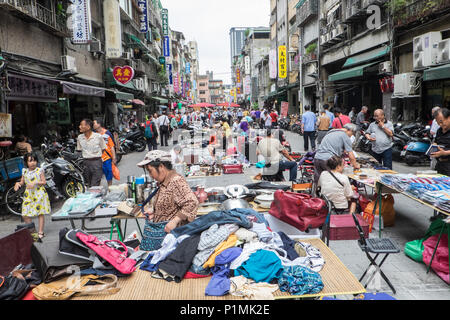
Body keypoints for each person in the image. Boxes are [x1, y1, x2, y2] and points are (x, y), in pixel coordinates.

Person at [137, 150, 199, 233]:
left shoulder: (175, 181)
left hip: (174, 237)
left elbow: (192, 202)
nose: (151, 176)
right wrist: (155, 212)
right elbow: (171, 206)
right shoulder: (165, 182)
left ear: (161, 166)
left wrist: (175, 221)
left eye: (150, 171)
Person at [14, 152, 50, 239]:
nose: (32, 163)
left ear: (36, 161)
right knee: (25, 214)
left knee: (40, 213)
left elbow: (44, 182)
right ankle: (33, 232)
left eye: (34, 160)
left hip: (39, 194)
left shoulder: (39, 170)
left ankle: (41, 232)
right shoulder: (24, 171)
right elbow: (22, 182)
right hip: (28, 194)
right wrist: (17, 184)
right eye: (30, 161)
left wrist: (35, 182)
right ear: (26, 162)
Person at [93, 120, 116, 187]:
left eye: (94, 123)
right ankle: (99, 189)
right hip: (97, 158)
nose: (93, 125)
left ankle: (110, 187)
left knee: (109, 173)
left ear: (99, 124)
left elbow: (111, 146)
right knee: (98, 175)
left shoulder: (107, 133)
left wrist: (114, 157)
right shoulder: (94, 134)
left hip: (107, 158)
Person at [431, 108, 450, 176]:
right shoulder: (439, 130)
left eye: (442, 122)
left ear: (448, 118)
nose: (440, 124)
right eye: (438, 123)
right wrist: (434, 146)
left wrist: (444, 153)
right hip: (440, 165)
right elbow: (436, 142)